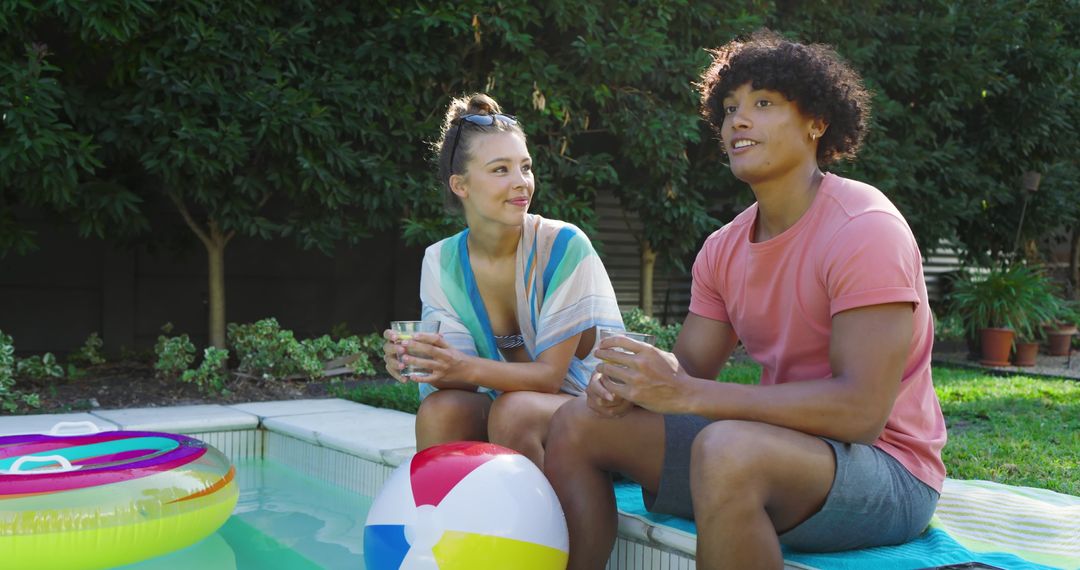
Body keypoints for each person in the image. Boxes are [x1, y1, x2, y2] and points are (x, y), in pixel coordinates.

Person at [543, 31, 947, 569]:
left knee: (727, 450)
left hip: (887, 470)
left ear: (816, 122)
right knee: (575, 424)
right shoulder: (724, 248)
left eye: (763, 104)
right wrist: (629, 385)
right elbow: (684, 371)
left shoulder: (865, 229)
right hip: (778, 447)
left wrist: (686, 394)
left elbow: (860, 414)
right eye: (730, 108)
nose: (738, 120)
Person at [382, 93, 623, 469]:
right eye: (500, 170)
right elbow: (459, 375)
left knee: (515, 410)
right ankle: (439, 521)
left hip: (595, 408)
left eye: (525, 167)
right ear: (460, 185)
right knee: (439, 410)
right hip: (514, 408)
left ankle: (530, 526)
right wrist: (423, 361)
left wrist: (459, 367)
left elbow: (548, 378)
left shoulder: (563, 246)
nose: (521, 183)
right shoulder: (442, 261)